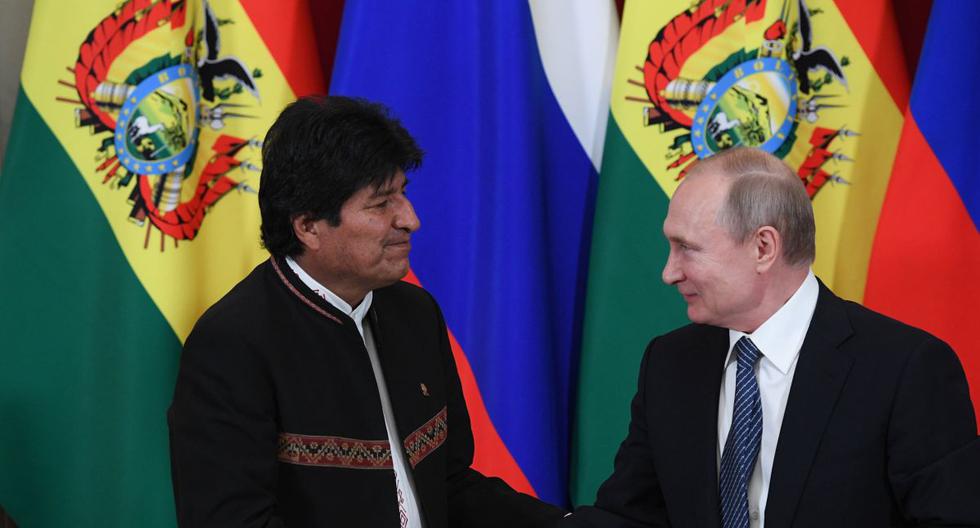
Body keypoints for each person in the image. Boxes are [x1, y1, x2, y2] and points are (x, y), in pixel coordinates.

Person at [168, 95, 565, 527]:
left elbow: (448, 487)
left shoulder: (415, 312)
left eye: (403, 194)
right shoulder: (231, 343)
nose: (410, 219)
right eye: (381, 204)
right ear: (308, 226)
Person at [565, 147, 980, 527]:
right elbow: (629, 518)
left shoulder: (905, 369)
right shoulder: (669, 363)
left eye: (686, 248)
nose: (669, 272)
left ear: (763, 247)